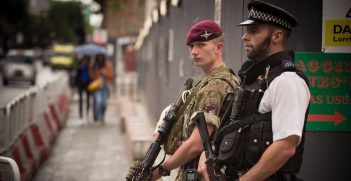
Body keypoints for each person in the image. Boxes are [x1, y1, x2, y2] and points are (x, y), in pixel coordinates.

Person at [198, 1, 310, 180]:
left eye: (254, 31)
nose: (244, 37)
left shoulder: (288, 81)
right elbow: (230, 125)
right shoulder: (251, 78)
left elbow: (286, 147)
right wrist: (208, 153)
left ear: (277, 37)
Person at [150, 19, 239, 181]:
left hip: (201, 173)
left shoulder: (216, 85)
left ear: (218, 48)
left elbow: (196, 144)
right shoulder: (212, 81)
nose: (194, 52)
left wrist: (158, 172)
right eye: (191, 46)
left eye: (201, 45)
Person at [90, 53, 113, 125]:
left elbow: (111, 75)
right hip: (97, 87)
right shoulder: (94, 66)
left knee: (104, 103)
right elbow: (91, 75)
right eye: (98, 57)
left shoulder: (107, 65)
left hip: (105, 87)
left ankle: (102, 115)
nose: (100, 58)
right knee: (98, 102)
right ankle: (98, 118)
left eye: (101, 57)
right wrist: (95, 76)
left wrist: (104, 74)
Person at [75, 55, 92, 126]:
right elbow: (76, 77)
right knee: (81, 101)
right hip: (81, 85)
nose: (85, 61)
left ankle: (87, 115)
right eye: (84, 60)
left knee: (88, 100)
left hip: (88, 85)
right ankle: (81, 116)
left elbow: (91, 76)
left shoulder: (90, 67)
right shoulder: (79, 67)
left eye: (86, 60)